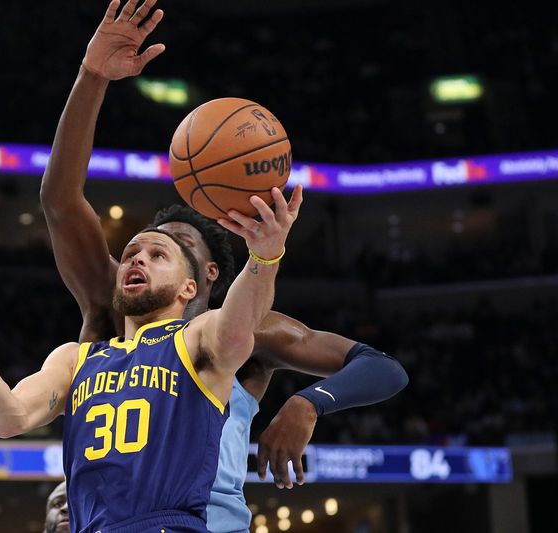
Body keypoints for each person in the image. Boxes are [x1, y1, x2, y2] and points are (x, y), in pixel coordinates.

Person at [39, 1, 409, 530]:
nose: (141, 256)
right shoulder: (110, 313)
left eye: (169, 247)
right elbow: (60, 200)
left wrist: (308, 404)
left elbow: (384, 367)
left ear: (206, 276)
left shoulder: (248, 334)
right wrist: (92, 78)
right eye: (139, 250)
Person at [0, 180, 302, 531]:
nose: (137, 260)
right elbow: (9, 418)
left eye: (158, 255)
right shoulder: (76, 359)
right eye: (130, 255)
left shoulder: (195, 341)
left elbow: (239, 324)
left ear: (190, 288)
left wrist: (265, 256)